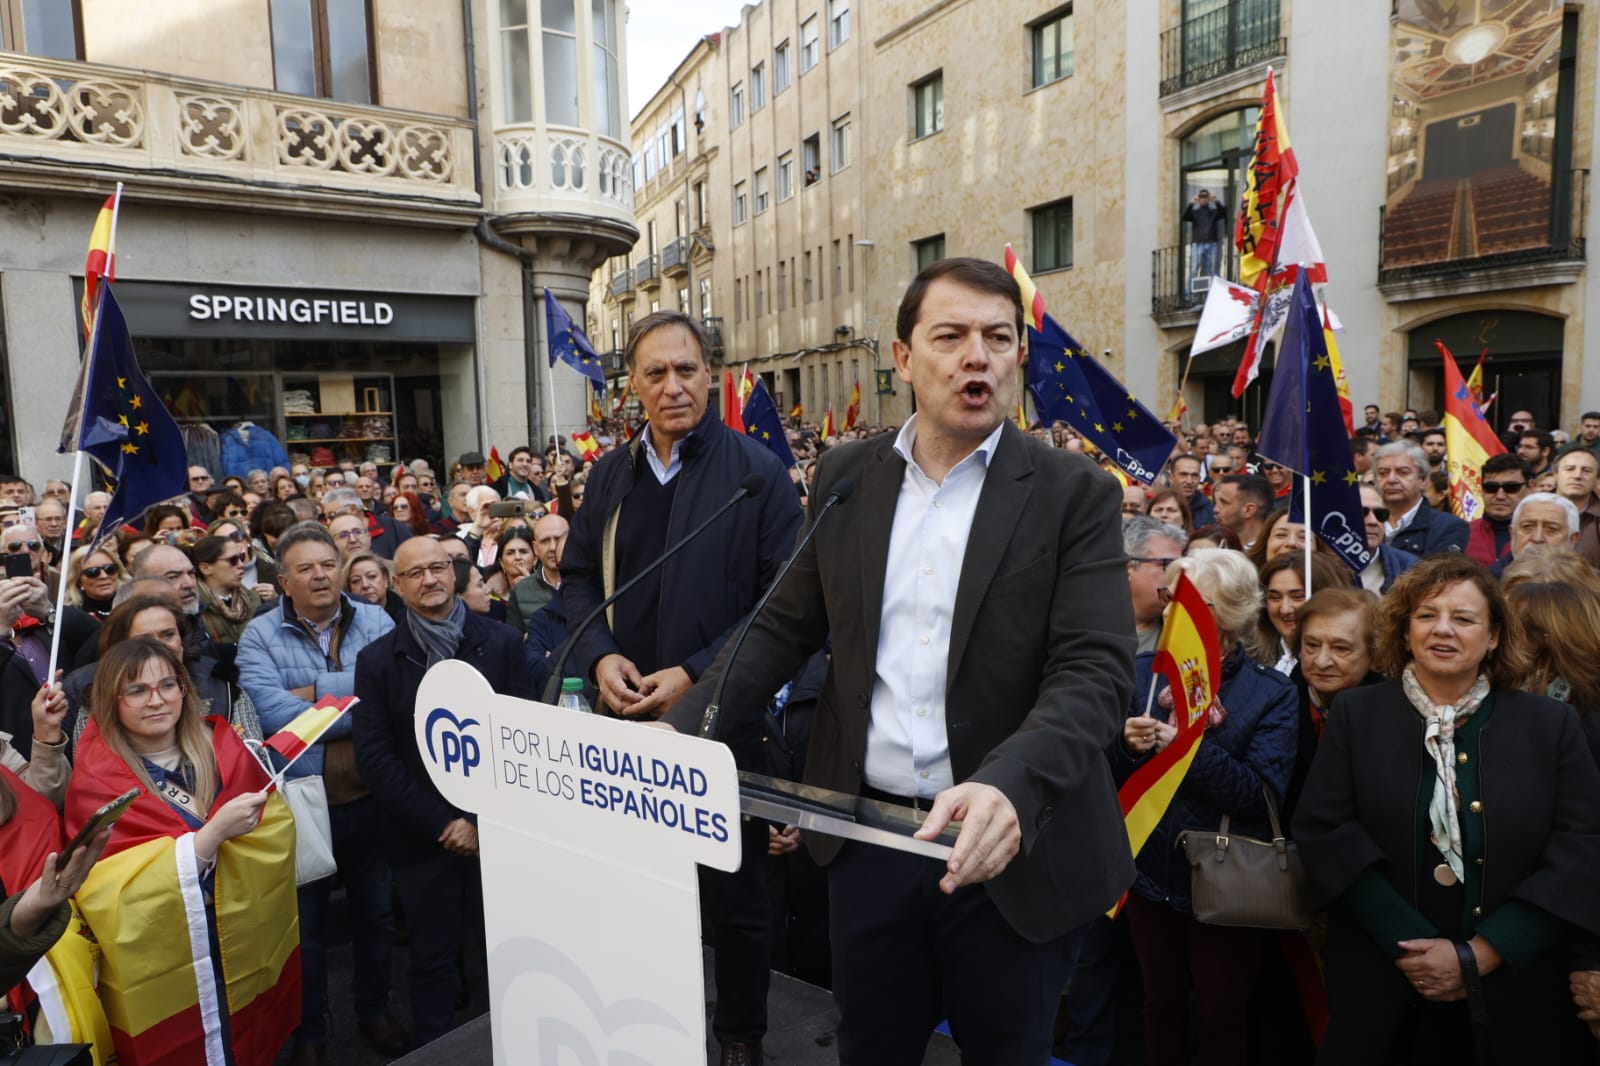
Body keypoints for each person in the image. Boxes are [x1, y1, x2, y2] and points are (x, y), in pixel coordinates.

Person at [661, 259, 1138, 1064]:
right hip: (870, 840)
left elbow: (1094, 671)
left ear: (1019, 356)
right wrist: (680, 733)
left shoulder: (1074, 492)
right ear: (903, 356)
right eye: (949, 337)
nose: (975, 357)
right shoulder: (848, 477)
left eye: (997, 338)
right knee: (871, 1048)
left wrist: (1007, 784)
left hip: (1013, 849)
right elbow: (782, 627)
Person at [561, 308, 804, 1066]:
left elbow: (787, 604)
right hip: (626, 722)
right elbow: (575, 582)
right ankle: (643, 1019)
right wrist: (600, 656)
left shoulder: (757, 474)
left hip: (723, 726)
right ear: (631, 386)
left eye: (687, 370)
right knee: (635, 889)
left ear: (713, 376)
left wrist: (695, 674)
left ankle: (740, 1035)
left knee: (736, 900)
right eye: (655, 373)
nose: (673, 386)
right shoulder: (609, 473)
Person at [1293, 555, 1600, 1064]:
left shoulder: (1549, 726)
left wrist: (1484, 952)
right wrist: (1413, 946)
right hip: (1384, 980)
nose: (1443, 630)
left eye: (1463, 618)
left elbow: (1580, 846)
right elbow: (1325, 832)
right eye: (1427, 614)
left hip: (1516, 991)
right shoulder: (1357, 714)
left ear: (1495, 635)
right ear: (1404, 627)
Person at [65, 638, 299, 1065]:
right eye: (136, 690)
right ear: (110, 701)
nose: (156, 700)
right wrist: (207, 841)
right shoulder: (96, 780)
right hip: (164, 961)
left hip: (242, 937)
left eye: (167, 685)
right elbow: (103, 893)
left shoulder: (225, 748)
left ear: (184, 689)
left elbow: (275, 831)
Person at [1111, 549, 1298, 1066]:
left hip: (1225, 877)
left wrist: (1183, 749)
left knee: (1220, 1015)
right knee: (1160, 1003)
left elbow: (1256, 793)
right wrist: (1126, 744)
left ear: (1225, 614)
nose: (1170, 608)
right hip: (1148, 874)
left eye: (1188, 600)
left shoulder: (1271, 693)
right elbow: (1106, 774)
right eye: (1170, 595)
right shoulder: (1144, 672)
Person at [352, 537, 532, 1049]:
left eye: (438, 568)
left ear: (454, 574)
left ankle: (523, 1044)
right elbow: (377, 758)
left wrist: (481, 820)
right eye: (415, 573)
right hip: (420, 837)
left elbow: (519, 740)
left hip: (497, 830)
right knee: (432, 960)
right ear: (397, 584)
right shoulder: (378, 660)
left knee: (510, 951)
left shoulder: (500, 643)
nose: (429, 579)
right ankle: (438, 1051)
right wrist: (444, 823)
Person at [236, 523, 404, 1065]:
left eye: (328, 564)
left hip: (370, 796)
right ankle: (311, 1032)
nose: (320, 575)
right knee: (305, 935)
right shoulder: (258, 636)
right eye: (305, 568)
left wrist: (313, 696)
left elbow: (391, 698)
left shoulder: (376, 618)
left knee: (375, 916)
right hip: (301, 807)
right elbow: (272, 716)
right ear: (283, 581)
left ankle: (373, 1011)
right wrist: (354, 694)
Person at [1283, 586, 1381, 821]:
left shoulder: (1395, 715)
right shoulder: (1278, 701)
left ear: (1375, 655)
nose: (1322, 661)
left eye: (1340, 648)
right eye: (1312, 645)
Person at [1256, 552, 1352, 675]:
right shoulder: (1252, 658)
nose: (1285, 609)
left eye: (1297, 597)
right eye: (1275, 597)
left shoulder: (1345, 663)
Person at [1375, 440, 1469, 556]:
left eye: (1403, 472)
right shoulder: (1360, 522)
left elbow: (1440, 572)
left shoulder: (1449, 527)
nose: (1391, 479)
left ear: (1423, 480)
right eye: (1383, 473)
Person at [1125, 515, 1186, 654]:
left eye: (1182, 566)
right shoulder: (1086, 626)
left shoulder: (1187, 632)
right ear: (1127, 570)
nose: (1180, 575)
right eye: (1168, 565)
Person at [193, 534, 261, 646]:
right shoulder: (194, 609)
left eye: (242, 557)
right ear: (206, 568)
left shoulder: (253, 599)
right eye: (233, 560)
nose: (241, 564)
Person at [1464, 454, 1529, 567]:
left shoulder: (1541, 537)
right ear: (1481, 490)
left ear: (1530, 488)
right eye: (1491, 488)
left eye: (1511, 488)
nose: (1500, 496)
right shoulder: (1462, 533)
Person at [506, 512, 566, 632]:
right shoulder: (520, 591)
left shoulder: (589, 583)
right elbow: (515, 640)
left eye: (558, 539)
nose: (553, 547)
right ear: (535, 548)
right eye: (545, 541)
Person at [1551, 444, 1600, 568]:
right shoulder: (1531, 509)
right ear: (1555, 474)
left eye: (1586, 471)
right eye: (1570, 469)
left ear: (1597, 479)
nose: (1577, 476)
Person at [64, 543, 125, 621]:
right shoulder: (70, 614)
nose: (104, 576)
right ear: (78, 580)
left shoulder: (133, 602)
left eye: (110, 569)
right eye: (93, 572)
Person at [1214, 473, 1272, 551]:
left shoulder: (1270, 554)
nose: (1216, 509)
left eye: (1224, 503)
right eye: (1216, 503)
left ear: (1249, 510)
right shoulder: (1214, 545)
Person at [1182, 188, 1229, 279]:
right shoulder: (1195, 212)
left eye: (1205, 197)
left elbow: (1224, 214)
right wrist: (1191, 204)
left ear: (1208, 198)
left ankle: (1210, 291)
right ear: (1199, 199)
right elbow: (1184, 217)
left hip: (1211, 243)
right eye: (1201, 197)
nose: (1203, 199)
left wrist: (1217, 202)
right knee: (1194, 268)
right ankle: (1189, 292)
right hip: (1198, 244)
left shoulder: (1214, 212)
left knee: (1210, 269)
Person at [485, 523, 535, 599]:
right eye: (510, 553)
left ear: (535, 559)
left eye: (523, 551)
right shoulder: (490, 595)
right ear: (501, 562)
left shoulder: (548, 590)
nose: (517, 557)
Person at [1168, 454, 1214, 527]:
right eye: (1183, 475)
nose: (1189, 481)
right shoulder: (1160, 507)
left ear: (1199, 478)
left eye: (1194, 475)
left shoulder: (1211, 510)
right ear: (1171, 477)